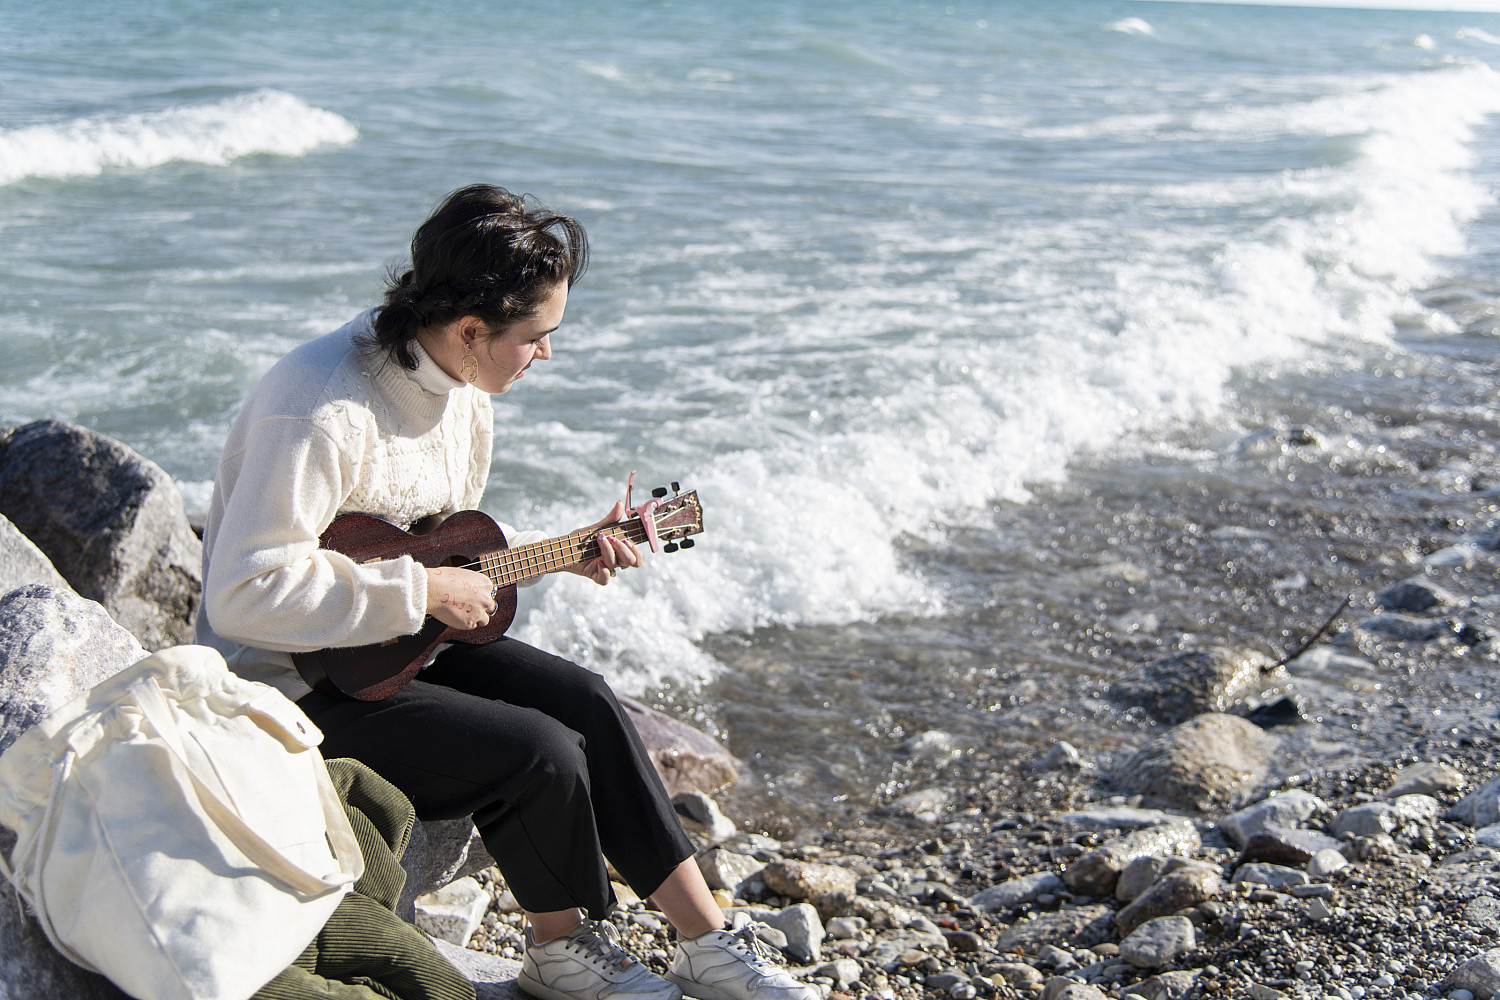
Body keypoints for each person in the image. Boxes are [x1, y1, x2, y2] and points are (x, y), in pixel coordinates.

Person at [196, 184, 817, 1000]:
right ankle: (558, 953)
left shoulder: (461, 390)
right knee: (539, 749)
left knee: (590, 701)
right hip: (289, 684)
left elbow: (433, 545)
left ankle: (707, 943)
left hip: (390, 651)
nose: (547, 355)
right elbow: (242, 592)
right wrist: (418, 592)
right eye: (537, 337)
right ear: (469, 329)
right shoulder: (320, 407)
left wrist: (562, 551)